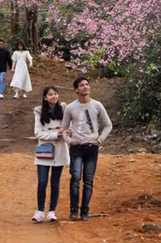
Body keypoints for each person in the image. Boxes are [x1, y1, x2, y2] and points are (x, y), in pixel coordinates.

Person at [61, 76, 112, 221]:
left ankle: (85, 211)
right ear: (76, 90)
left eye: (87, 84)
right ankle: (73, 211)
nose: (85, 87)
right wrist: (69, 141)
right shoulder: (71, 107)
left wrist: (99, 140)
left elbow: (108, 124)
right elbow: (63, 128)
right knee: (75, 177)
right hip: (77, 147)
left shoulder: (97, 105)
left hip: (91, 147)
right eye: (82, 85)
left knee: (88, 180)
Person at [32, 86, 71, 223]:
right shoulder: (39, 112)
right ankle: (40, 211)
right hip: (45, 150)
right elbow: (38, 132)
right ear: (45, 97)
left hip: (60, 150)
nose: (53, 96)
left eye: (55, 94)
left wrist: (66, 133)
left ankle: (52, 211)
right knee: (42, 182)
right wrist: (55, 134)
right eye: (50, 94)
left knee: (55, 183)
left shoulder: (64, 110)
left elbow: (69, 127)